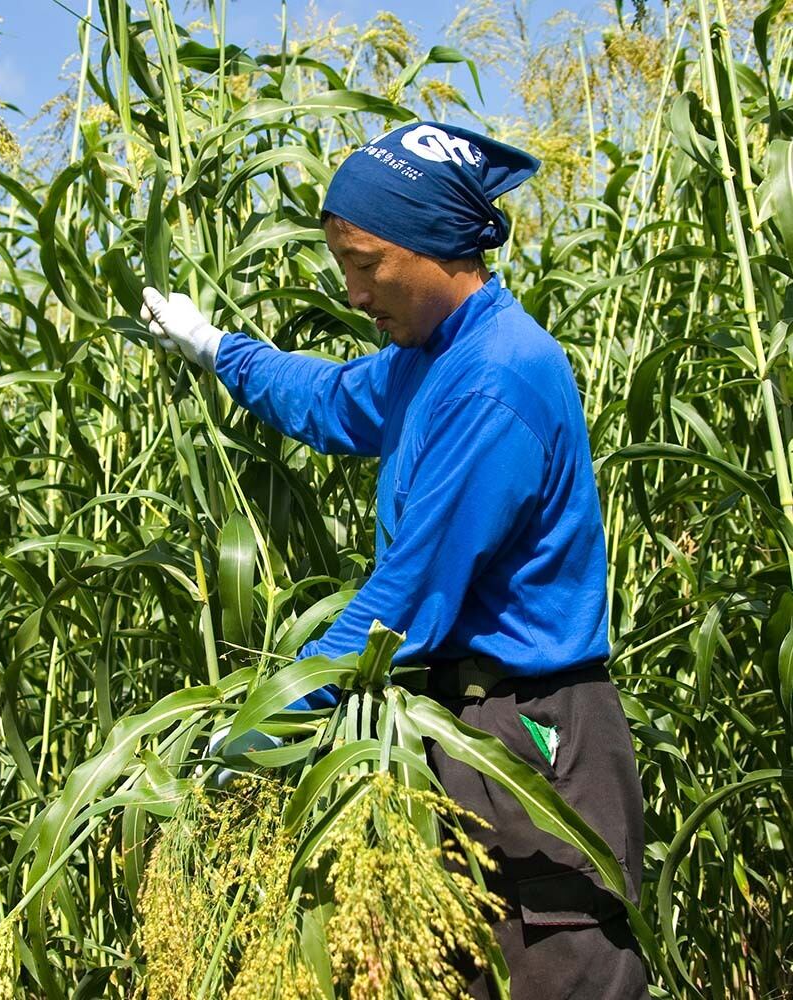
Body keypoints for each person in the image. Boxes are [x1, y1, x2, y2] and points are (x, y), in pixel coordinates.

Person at [139, 121, 650, 999]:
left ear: (434, 245)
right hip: (456, 730)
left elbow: (408, 600)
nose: (353, 290)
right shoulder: (431, 358)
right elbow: (327, 398)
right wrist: (216, 347)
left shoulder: (495, 379)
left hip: (535, 743)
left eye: (366, 263)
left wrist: (263, 724)